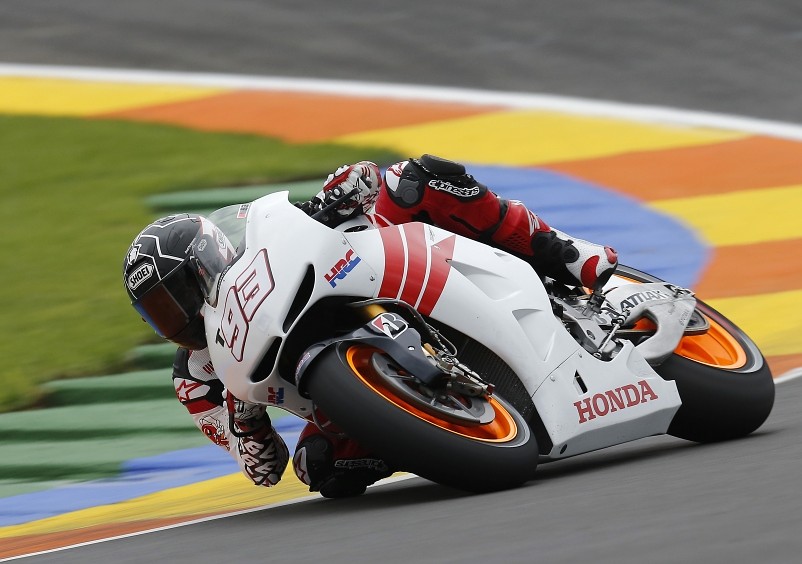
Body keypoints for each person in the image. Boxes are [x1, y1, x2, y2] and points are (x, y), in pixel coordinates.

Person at [123, 154, 617, 498]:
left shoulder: (258, 252)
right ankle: (434, 433)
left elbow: (358, 181)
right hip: (330, 388)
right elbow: (263, 468)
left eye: (178, 296)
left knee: (412, 178)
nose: (178, 317)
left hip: (388, 268)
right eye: (160, 312)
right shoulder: (195, 379)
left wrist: (341, 194)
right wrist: (246, 418)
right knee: (318, 465)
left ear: (209, 260)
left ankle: (565, 254)